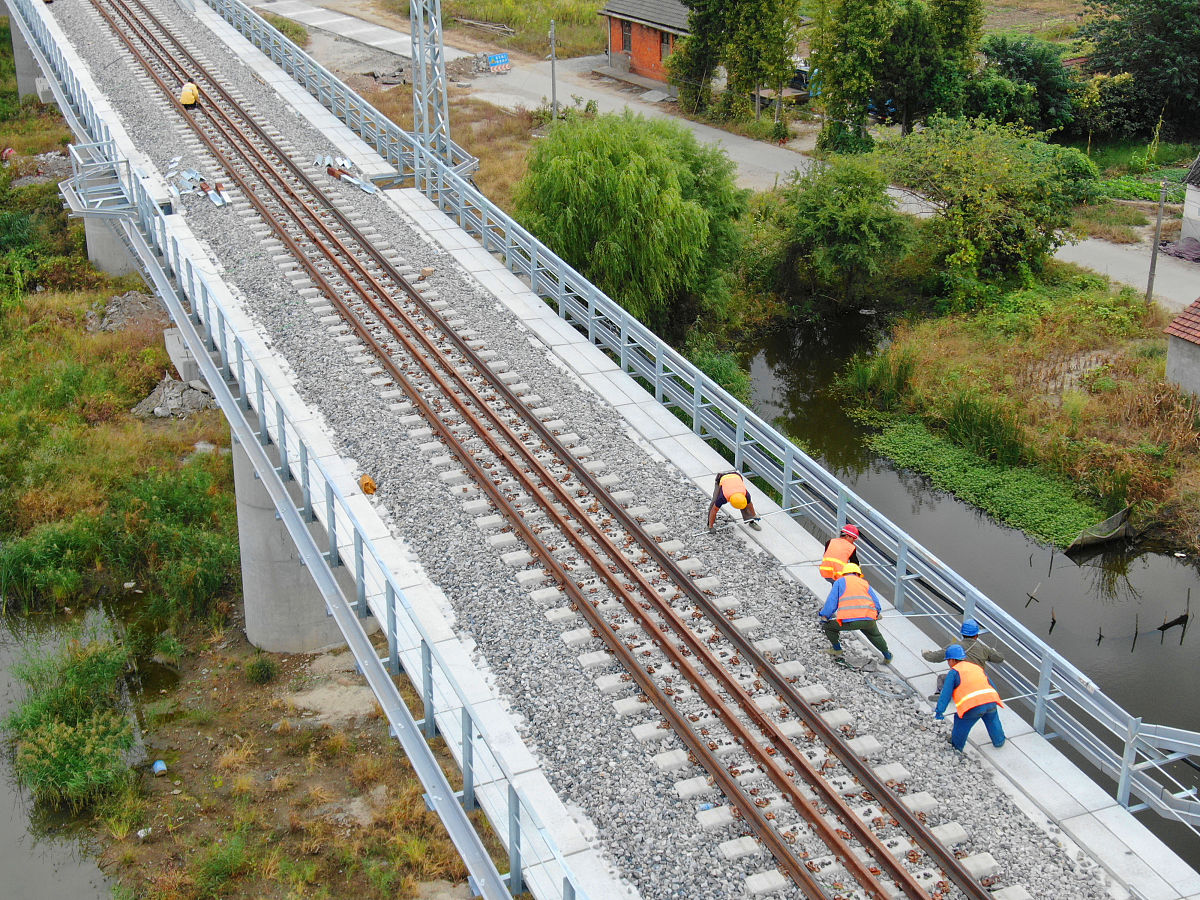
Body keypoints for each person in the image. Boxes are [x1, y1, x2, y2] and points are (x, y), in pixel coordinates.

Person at [934, 644, 1006, 751]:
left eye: (948, 660)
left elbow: (945, 694)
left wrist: (939, 712)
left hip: (973, 706)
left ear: (953, 660)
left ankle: (957, 746)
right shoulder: (975, 667)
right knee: (992, 720)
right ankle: (999, 741)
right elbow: (990, 683)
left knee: (961, 723)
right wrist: (995, 698)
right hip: (990, 700)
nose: (948, 663)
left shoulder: (954, 672)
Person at [817, 563, 892, 663]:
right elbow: (875, 601)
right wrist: (877, 613)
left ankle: (837, 649)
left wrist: (825, 616)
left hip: (850, 621)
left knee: (829, 627)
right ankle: (887, 656)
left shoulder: (840, 582)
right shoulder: (864, 583)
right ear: (858, 573)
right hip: (868, 619)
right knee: (875, 635)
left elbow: (832, 602)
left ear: (844, 573)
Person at [921, 618, 1004, 700]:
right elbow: (1000, 658)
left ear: (962, 634)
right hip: (977, 682)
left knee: (942, 678)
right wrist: (993, 651)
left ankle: (939, 694)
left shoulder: (954, 647)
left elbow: (935, 657)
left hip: (960, 682)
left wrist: (926, 653)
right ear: (977, 635)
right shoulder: (983, 648)